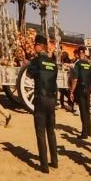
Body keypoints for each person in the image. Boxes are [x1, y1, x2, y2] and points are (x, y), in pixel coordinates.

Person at [26, 39, 61, 173]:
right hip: (52, 99)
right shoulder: (53, 63)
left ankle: (44, 165)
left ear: (40, 46)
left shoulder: (36, 61)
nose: (34, 48)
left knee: (40, 132)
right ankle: (55, 161)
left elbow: (29, 74)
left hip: (40, 98)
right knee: (51, 131)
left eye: (35, 45)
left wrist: (30, 64)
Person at [71, 46, 91, 140]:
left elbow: (75, 79)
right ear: (84, 53)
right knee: (87, 111)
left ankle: (84, 133)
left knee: (83, 111)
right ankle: (88, 131)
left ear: (78, 53)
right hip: (88, 89)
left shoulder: (78, 64)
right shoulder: (88, 64)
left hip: (81, 89)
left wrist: (72, 91)